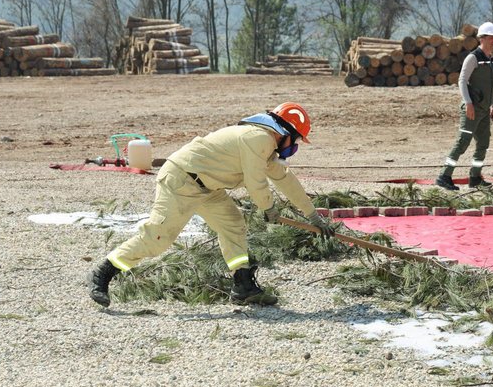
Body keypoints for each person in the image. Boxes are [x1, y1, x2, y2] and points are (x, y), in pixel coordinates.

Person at [89, 102, 337, 307]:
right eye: (295, 141)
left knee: (233, 224)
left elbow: (286, 181)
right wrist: (267, 207)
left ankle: (242, 285)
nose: (294, 148)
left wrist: (313, 216)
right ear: (285, 133)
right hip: (182, 180)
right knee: (158, 238)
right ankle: (103, 273)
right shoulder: (258, 139)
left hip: (207, 188)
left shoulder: (266, 146)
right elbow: (256, 182)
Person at [435, 21, 493, 191]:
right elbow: (462, 81)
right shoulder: (473, 58)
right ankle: (444, 176)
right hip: (472, 109)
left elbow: (491, 85)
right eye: (491, 37)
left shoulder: (491, 60)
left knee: (483, 143)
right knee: (463, 142)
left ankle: (475, 177)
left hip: (484, 110)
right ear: (482, 39)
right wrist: (468, 103)